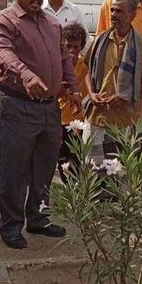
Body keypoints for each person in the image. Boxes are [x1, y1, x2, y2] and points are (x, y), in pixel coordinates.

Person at [0, 0, 82, 249]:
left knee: (43, 168)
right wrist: (26, 74)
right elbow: (3, 52)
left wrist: (73, 88)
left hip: (49, 108)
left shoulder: (51, 24)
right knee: (14, 169)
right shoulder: (3, 22)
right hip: (17, 104)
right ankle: (11, 225)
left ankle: (38, 219)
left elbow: (64, 57)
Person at [84, 0, 142, 165]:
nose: (114, 15)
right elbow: (88, 71)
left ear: (132, 15)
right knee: (93, 169)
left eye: (119, 11)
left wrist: (124, 96)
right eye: (112, 10)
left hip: (125, 119)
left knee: (122, 171)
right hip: (98, 115)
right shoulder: (99, 41)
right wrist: (92, 94)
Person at [57, 23, 89, 176]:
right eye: (68, 46)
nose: (71, 51)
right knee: (61, 160)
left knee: (75, 159)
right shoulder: (56, 66)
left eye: (76, 47)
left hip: (78, 121)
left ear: (81, 47)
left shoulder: (85, 67)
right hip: (58, 119)